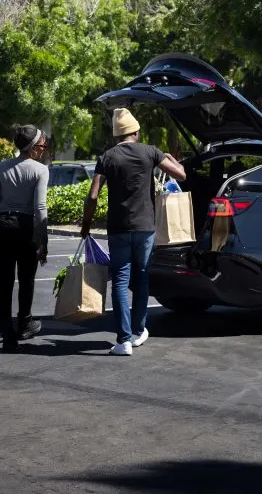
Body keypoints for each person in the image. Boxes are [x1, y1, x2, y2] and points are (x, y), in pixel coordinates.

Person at [80, 108, 186, 356]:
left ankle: (124, 340)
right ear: (136, 132)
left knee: (119, 282)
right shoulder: (151, 152)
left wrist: (86, 223)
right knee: (141, 278)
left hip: (118, 229)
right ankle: (140, 330)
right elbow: (181, 174)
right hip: (145, 228)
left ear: (118, 135)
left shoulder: (107, 157)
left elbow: (93, 195)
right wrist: (171, 158)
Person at [0, 125, 51, 353]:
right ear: (33, 147)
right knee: (26, 279)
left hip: (1, 228)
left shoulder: (2, 167)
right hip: (25, 228)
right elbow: (40, 208)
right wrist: (43, 241)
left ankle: (7, 334)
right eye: (42, 145)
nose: (43, 150)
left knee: (5, 282)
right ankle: (24, 323)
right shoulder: (40, 170)